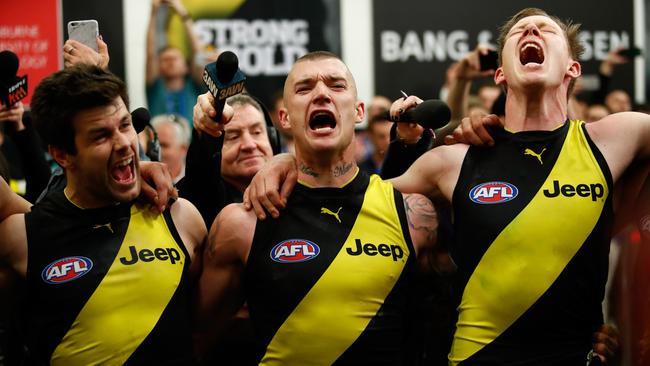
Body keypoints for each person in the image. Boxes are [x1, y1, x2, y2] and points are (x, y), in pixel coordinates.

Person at [246, 8, 642, 364]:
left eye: (545, 30)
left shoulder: (616, 138)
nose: (531, 32)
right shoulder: (452, 161)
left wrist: (629, 325)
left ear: (572, 68)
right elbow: (354, 198)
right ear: (500, 73)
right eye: (520, 30)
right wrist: (285, 162)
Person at [196, 51, 453, 365]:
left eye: (336, 86)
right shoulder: (242, 223)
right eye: (304, 89)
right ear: (285, 118)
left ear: (358, 112)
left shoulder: (413, 214)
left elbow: (444, 324)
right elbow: (197, 340)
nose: (321, 93)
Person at [0, 64, 206, 364]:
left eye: (125, 125)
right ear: (61, 155)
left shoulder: (180, 216)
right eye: (101, 136)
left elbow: (207, 330)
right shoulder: (20, 238)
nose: (124, 143)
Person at [178, 93, 276, 228]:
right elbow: (202, 168)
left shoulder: (292, 184)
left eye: (257, 132)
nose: (249, 145)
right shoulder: (203, 194)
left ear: (272, 138)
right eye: (234, 136)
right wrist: (205, 132)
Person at [146, 0, 204, 125]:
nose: (170, 62)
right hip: (161, 143)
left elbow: (198, 54)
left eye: (175, 58)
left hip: (192, 144)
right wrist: (153, 13)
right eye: (165, 60)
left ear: (186, 67)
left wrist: (182, 12)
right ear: (159, 67)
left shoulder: (194, 86)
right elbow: (150, 54)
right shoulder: (155, 87)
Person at [151, 113, 190, 183]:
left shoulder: (198, 181)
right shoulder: (142, 182)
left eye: (163, 145)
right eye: (153, 144)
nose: (155, 150)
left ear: (183, 149)